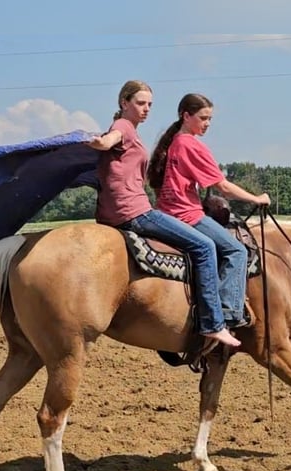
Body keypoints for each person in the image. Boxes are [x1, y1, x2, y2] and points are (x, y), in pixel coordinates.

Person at [87, 81, 240, 347]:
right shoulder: (123, 126)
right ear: (124, 103)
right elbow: (112, 137)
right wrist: (102, 142)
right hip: (135, 212)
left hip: (111, 213)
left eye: (149, 105)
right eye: (140, 103)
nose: (146, 109)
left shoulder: (133, 130)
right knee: (204, 247)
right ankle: (213, 323)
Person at [148, 93, 271, 330]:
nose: (207, 124)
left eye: (210, 119)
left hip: (167, 212)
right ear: (186, 116)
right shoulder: (190, 144)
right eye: (203, 118)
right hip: (186, 215)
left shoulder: (173, 142)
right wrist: (257, 198)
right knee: (236, 250)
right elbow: (223, 187)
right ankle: (228, 311)